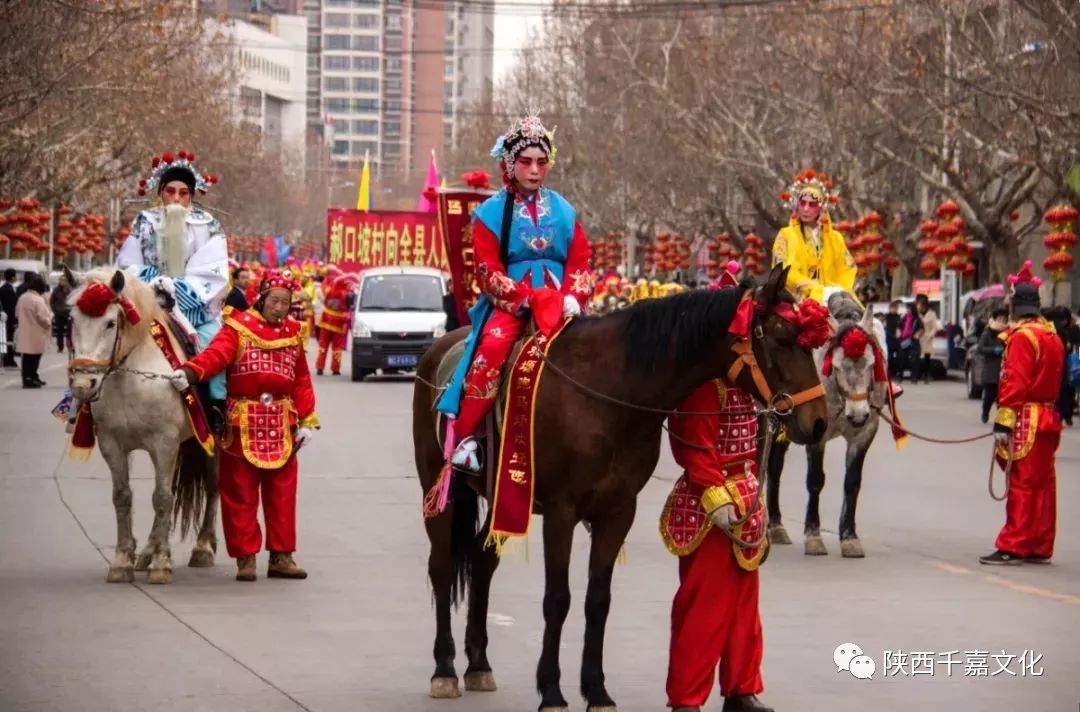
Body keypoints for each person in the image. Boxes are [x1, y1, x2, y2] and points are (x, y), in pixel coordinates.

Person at [435, 113, 592, 472]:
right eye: (526, 162)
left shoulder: (565, 210)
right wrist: (525, 298)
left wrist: (573, 296)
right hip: (513, 305)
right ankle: (466, 438)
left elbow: (580, 258)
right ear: (511, 163)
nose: (535, 170)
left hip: (563, 302)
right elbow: (487, 271)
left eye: (541, 162)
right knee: (490, 350)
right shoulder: (490, 213)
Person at [662, 263, 772, 712]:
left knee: (745, 606)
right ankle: (687, 697)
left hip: (746, 500)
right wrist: (714, 495)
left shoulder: (747, 384)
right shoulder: (704, 385)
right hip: (712, 506)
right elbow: (694, 446)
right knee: (703, 605)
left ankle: (742, 687)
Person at [171, 270, 319, 581]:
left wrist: (308, 418)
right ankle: (246, 558)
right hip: (243, 422)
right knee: (239, 493)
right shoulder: (237, 327)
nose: (279, 308)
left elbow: (301, 379)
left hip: (282, 422)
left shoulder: (293, 331)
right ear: (262, 299)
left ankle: (282, 556)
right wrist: (192, 371)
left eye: (285, 303)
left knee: (283, 493)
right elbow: (216, 356)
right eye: (274, 301)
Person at [116, 149, 229, 419]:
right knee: (103, 336)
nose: (176, 198)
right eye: (170, 191)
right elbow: (127, 263)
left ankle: (217, 406)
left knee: (216, 345)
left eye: (183, 193)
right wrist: (152, 282)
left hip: (193, 309)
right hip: (146, 301)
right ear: (160, 192)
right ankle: (85, 404)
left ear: (191, 195)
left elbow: (212, 270)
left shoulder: (209, 224)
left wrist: (176, 289)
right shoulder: (144, 221)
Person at [981, 261, 1065, 566]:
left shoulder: (1021, 338)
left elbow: (1014, 384)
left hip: (1026, 418)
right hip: (1048, 417)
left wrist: (1003, 422)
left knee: (1022, 484)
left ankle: (1013, 544)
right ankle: (1039, 543)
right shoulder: (1052, 336)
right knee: (1043, 485)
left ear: (1017, 306)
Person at [771, 168, 856, 304]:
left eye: (812, 204)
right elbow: (783, 270)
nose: (806, 209)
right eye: (802, 203)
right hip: (796, 300)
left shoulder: (835, 238)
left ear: (821, 208)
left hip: (834, 299)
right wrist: (816, 290)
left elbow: (847, 268)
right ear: (796, 206)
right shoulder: (785, 235)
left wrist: (838, 291)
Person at [1042, 306, 1079, 427]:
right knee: (1066, 390)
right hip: (1065, 364)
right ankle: (1065, 415)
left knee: (1057, 390)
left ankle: (1059, 415)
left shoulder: (1047, 329)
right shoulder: (1067, 330)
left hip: (1053, 364)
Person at [14, 274, 52, 388]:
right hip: (37, 331)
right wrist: (48, 322)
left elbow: (16, 313)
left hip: (24, 330)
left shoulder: (23, 297)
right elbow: (42, 317)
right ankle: (32, 377)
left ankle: (28, 377)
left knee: (26, 357)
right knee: (35, 357)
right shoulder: (38, 300)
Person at [315, 267, 353, 376]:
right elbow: (350, 305)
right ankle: (335, 369)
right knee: (337, 347)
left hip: (326, 319)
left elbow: (321, 298)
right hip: (339, 322)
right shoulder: (347, 292)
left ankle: (320, 367)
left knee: (323, 345)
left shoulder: (328, 288)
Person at [977, 307, 1008, 423]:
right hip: (990, 371)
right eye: (999, 319)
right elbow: (980, 348)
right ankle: (985, 412)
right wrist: (993, 350)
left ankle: (1000, 418)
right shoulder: (987, 333)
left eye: (1004, 320)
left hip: (1003, 371)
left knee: (1002, 398)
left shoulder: (1007, 333)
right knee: (989, 397)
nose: (1001, 322)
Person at [915, 294, 940, 383]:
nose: (919, 306)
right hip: (918, 338)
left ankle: (926, 375)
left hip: (927, 338)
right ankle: (917, 375)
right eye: (918, 304)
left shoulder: (931, 314)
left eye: (921, 304)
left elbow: (935, 327)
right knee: (917, 357)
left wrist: (931, 335)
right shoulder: (917, 315)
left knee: (927, 358)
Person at [898, 301, 923, 383]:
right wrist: (898, 333)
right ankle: (900, 376)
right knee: (901, 358)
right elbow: (899, 326)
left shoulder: (917, 319)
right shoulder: (904, 317)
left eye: (909, 308)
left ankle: (914, 377)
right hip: (904, 341)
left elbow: (922, 329)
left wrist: (918, 334)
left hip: (913, 341)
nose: (907, 310)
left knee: (914, 360)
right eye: (907, 308)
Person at [49, 277, 72, 353]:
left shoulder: (69, 290)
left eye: (64, 280)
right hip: (59, 313)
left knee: (70, 331)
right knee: (59, 331)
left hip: (68, 313)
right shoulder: (56, 290)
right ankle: (60, 347)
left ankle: (70, 346)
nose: (62, 281)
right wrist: (55, 310)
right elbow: (52, 301)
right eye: (61, 280)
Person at [1, 268, 17, 368]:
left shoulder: (3, 288)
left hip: (4, 318)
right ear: (12, 277)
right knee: (9, 339)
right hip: (8, 319)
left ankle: (7, 358)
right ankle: (8, 359)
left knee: (6, 338)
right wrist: (14, 320)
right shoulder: (8, 290)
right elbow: (11, 307)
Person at [884, 299, 903, 378]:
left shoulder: (899, 317)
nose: (894, 310)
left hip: (897, 340)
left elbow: (901, 327)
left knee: (899, 357)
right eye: (892, 308)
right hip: (889, 339)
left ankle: (897, 372)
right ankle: (890, 372)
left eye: (895, 308)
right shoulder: (887, 317)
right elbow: (885, 327)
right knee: (890, 357)